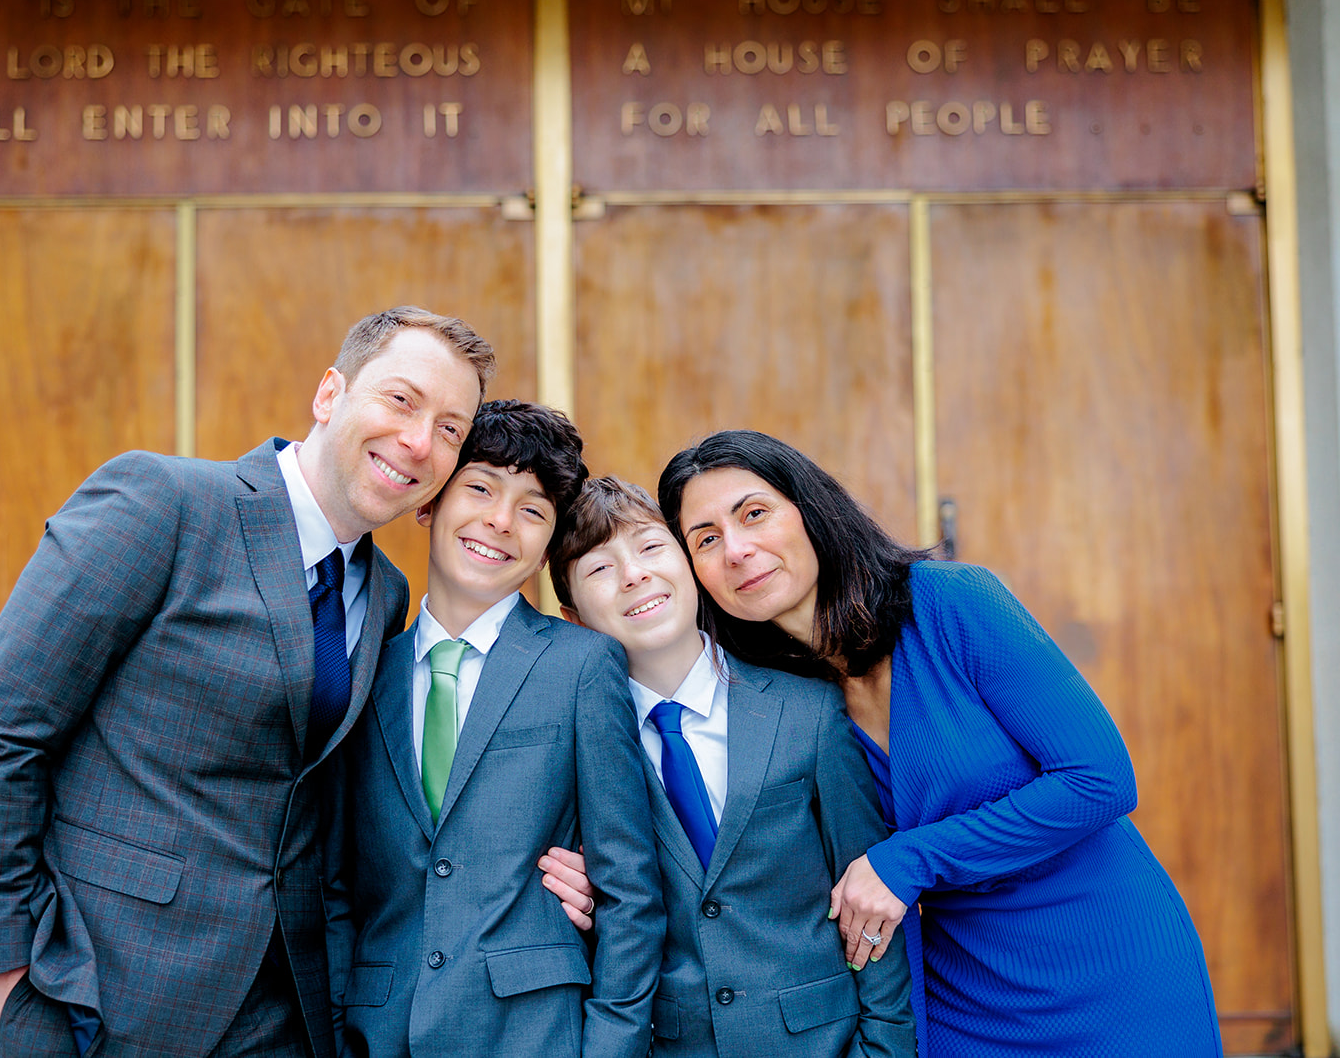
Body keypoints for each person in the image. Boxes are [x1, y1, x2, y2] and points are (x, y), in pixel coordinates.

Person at [0, 306, 494, 1058]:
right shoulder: (161, 504)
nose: (420, 441)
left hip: (284, 1013)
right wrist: (10, 975)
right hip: (101, 994)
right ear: (330, 393)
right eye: (401, 400)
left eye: (451, 429)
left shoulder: (389, 594)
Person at [653, 429, 1223, 1058]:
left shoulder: (952, 602)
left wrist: (910, 858)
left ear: (810, 511)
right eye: (705, 539)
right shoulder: (774, 699)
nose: (736, 549)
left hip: (1108, 961)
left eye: (753, 513)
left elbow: (1100, 779)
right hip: (961, 995)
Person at [324, 402, 664, 1058]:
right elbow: (339, 887)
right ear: (428, 502)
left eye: (533, 510)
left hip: (535, 1034)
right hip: (383, 1029)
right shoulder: (367, 672)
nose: (501, 521)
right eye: (479, 489)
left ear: (546, 546)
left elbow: (631, 892)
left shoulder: (581, 666)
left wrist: (609, 1047)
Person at [546, 476, 915, 1057]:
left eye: (650, 547)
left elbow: (868, 896)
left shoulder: (807, 710)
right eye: (599, 569)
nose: (634, 574)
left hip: (825, 1040)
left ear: (692, 566)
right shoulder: (577, 747)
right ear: (573, 618)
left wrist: (885, 1048)